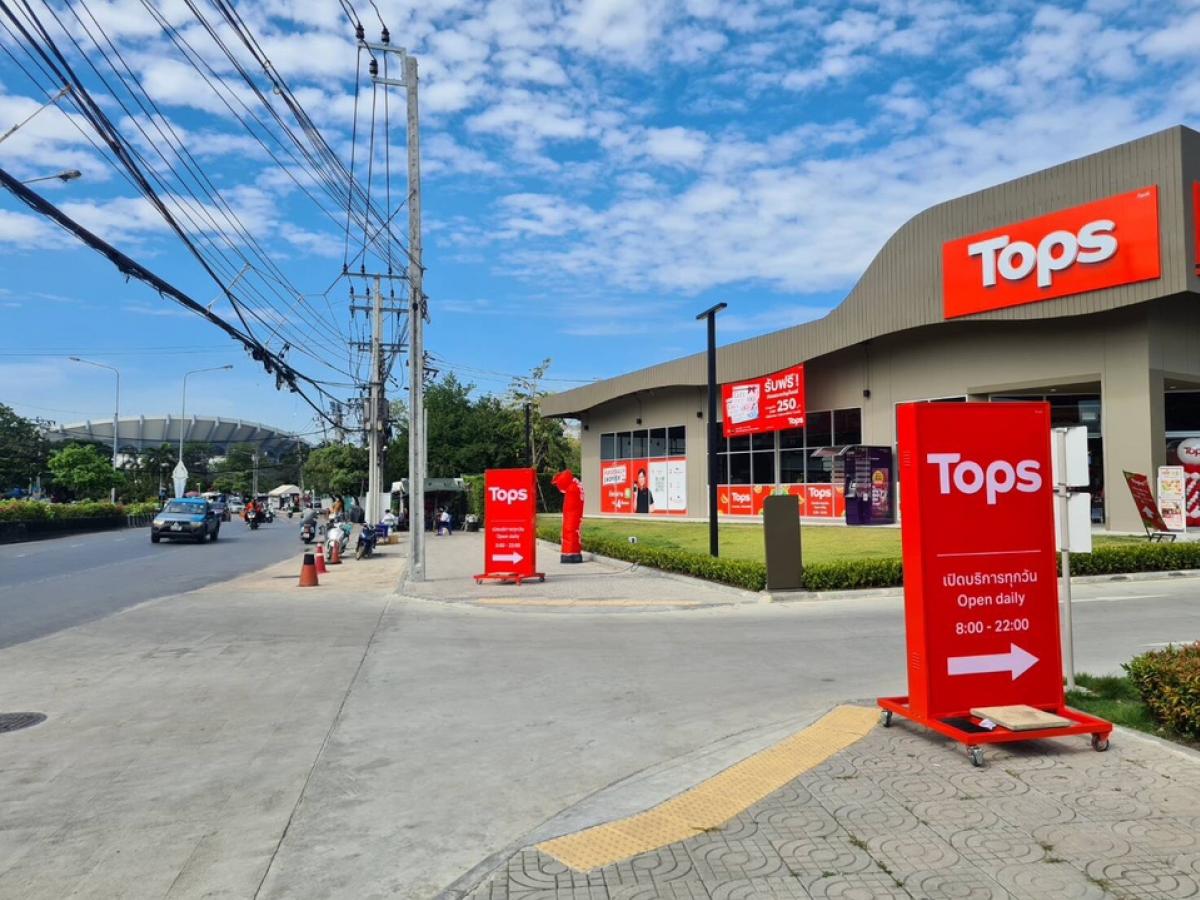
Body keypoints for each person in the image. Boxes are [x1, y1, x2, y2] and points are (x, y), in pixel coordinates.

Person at [553, 470, 584, 563]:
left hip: (571, 515)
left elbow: (569, 507)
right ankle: (574, 553)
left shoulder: (571, 488)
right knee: (574, 531)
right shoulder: (575, 484)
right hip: (575, 514)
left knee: (569, 530)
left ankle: (569, 554)